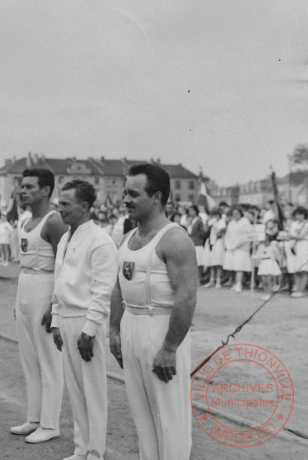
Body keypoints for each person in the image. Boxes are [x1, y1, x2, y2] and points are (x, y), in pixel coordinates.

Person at [109, 163, 198, 460]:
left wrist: (170, 348)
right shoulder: (128, 238)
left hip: (161, 331)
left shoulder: (174, 239)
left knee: (170, 419)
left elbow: (186, 298)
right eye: (124, 193)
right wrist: (114, 330)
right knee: (142, 417)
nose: (125, 199)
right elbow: (119, 289)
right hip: (131, 329)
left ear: (157, 197)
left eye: (133, 194)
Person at [51, 180, 118, 460]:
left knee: (93, 391)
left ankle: (95, 452)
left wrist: (89, 331)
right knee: (75, 390)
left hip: (85, 322)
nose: (60, 208)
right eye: (59, 202)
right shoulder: (66, 238)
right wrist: (55, 320)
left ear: (85, 207)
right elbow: (59, 282)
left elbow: (103, 292)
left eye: (66, 203)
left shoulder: (100, 241)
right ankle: (81, 449)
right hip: (66, 319)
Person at [10, 169, 68, 444]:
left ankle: (50, 423)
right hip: (25, 285)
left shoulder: (53, 221)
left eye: (29, 186)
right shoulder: (25, 220)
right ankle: (34, 417)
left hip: (45, 286)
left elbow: (65, 265)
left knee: (49, 360)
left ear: (46, 190)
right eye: (22, 186)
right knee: (29, 358)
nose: (23, 191)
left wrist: (55, 306)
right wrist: (19, 302)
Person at [222, 207, 252, 293]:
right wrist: (228, 245)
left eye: (237, 213)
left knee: (239, 267)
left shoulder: (245, 221)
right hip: (231, 247)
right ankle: (236, 283)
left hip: (241, 247)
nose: (235, 215)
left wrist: (236, 245)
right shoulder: (231, 223)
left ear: (240, 213)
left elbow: (246, 236)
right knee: (233, 266)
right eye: (233, 213)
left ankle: (239, 284)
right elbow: (227, 235)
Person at [203, 208, 226, 288]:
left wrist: (215, 223)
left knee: (218, 263)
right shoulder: (211, 221)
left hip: (218, 242)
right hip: (210, 242)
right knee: (211, 263)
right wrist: (207, 222)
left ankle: (218, 281)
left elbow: (219, 232)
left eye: (216, 215)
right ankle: (211, 280)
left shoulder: (222, 222)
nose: (214, 217)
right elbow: (205, 230)